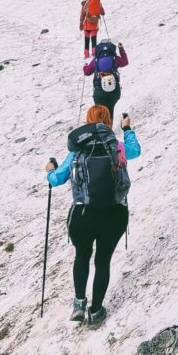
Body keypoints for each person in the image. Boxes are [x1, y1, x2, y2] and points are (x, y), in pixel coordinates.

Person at [45, 107, 140, 326]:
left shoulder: (77, 152)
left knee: (82, 255)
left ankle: (78, 303)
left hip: (83, 214)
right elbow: (135, 150)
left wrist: (50, 169)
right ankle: (95, 312)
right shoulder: (117, 147)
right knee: (103, 261)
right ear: (108, 123)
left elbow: (56, 179)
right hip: (114, 214)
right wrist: (127, 129)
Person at [83, 40, 129, 124]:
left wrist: (85, 66)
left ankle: (100, 129)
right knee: (110, 110)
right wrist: (121, 49)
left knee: (99, 112)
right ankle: (109, 129)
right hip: (114, 91)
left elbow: (87, 72)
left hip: (99, 92)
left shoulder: (96, 60)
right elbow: (125, 62)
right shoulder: (115, 59)